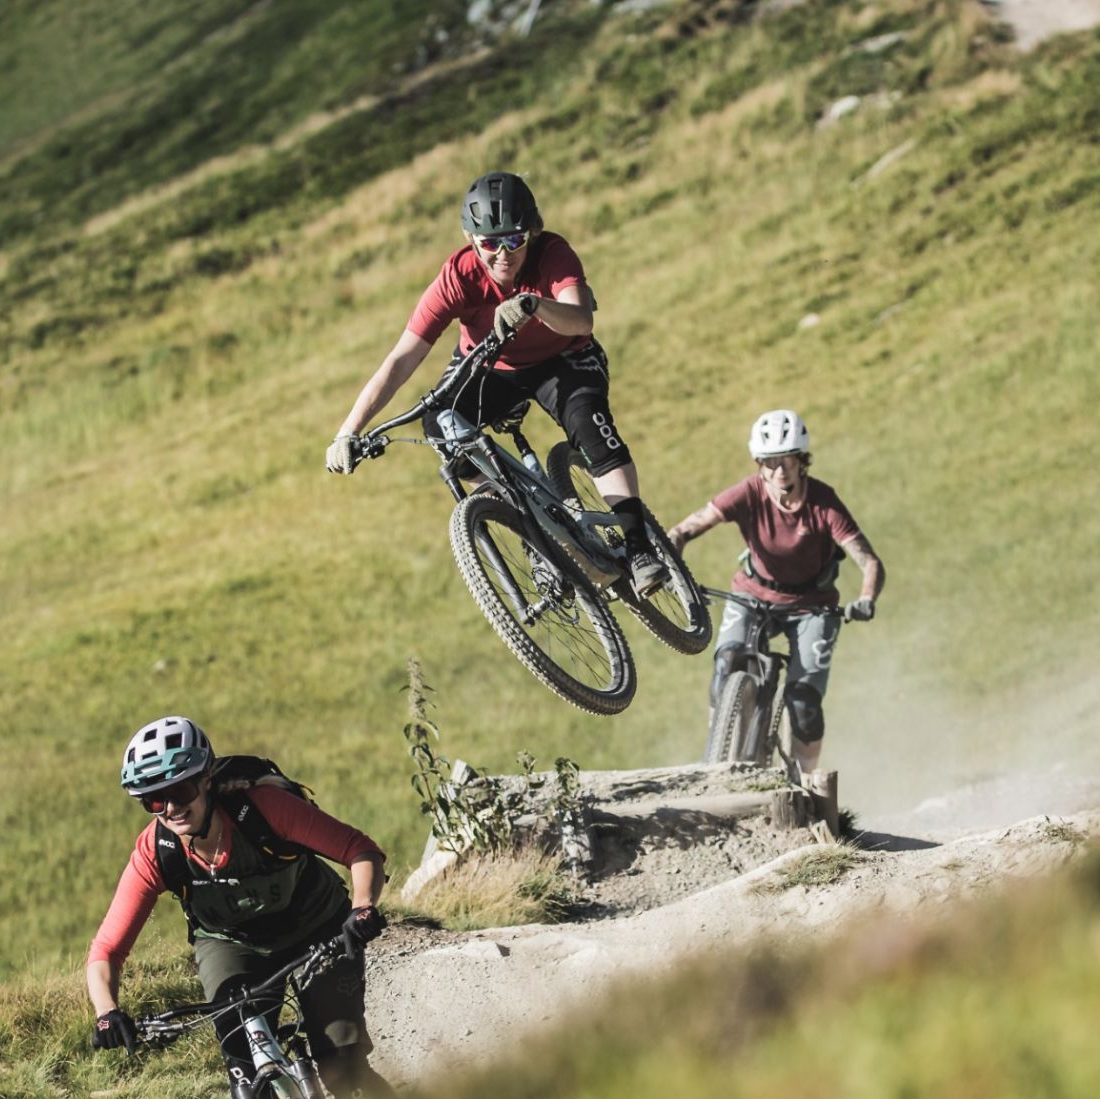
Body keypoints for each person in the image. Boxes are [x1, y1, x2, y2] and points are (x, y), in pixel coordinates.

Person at [326, 169, 665, 595]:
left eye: (514, 240)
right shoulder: (457, 278)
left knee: (587, 423)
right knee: (439, 426)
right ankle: (534, 534)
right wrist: (348, 431)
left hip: (566, 359)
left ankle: (639, 547)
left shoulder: (553, 254)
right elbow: (401, 358)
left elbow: (581, 319)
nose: (502, 254)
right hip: (492, 368)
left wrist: (534, 305)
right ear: (472, 241)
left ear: (532, 234)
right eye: (490, 243)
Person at [87, 715, 392, 1099]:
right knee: (245, 1068)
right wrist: (107, 1012)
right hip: (231, 944)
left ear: (206, 779)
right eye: (154, 801)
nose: (171, 809)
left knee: (341, 1063)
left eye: (179, 790)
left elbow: (360, 850)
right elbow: (106, 950)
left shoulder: (265, 812)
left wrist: (362, 908)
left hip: (318, 928)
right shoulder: (156, 852)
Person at [666, 409, 885, 774]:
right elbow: (684, 530)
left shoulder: (824, 503)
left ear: (802, 462)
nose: (779, 470)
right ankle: (716, 750)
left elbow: (871, 563)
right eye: (770, 462)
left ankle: (808, 783)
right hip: (752, 595)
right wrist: (671, 566)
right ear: (759, 464)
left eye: (787, 460)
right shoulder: (748, 493)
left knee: (804, 705)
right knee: (726, 664)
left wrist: (865, 599)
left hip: (812, 607)